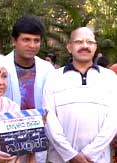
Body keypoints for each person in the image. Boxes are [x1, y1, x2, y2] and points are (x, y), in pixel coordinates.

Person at [43, 27, 117, 163]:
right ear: (69, 47)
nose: (85, 46)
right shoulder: (53, 78)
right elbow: (49, 120)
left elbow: (113, 121)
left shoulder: (110, 78)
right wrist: (70, 155)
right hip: (60, 159)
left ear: (95, 47)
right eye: (79, 41)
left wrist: (91, 153)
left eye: (90, 42)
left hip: (98, 159)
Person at [4, 15, 55, 163]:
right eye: (26, 40)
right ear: (14, 41)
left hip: (39, 136)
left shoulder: (47, 69)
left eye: (36, 40)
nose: (32, 45)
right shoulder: (0, 67)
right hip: (7, 138)